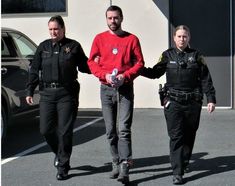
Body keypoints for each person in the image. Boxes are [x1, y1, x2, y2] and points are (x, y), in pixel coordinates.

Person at [141, 25, 216, 184]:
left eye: (185, 36)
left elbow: (205, 79)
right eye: (179, 36)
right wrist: (137, 68)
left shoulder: (196, 56)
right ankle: (177, 172)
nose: (182, 39)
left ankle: (185, 161)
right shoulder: (167, 55)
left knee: (189, 134)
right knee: (176, 136)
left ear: (189, 38)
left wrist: (211, 98)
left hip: (193, 102)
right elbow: (155, 73)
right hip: (173, 102)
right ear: (174, 38)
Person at [26, 15, 90, 180]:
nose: (53, 32)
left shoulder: (73, 46)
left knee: (64, 131)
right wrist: (30, 90)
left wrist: (100, 64)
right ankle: (59, 153)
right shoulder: (43, 47)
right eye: (51, 29)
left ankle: (63, 166)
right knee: (45, 130)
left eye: (56, 29)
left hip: (67, 94)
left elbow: (85, 66)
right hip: (47, 94)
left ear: (63, 29)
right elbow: (34, 70)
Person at [87, 5, 144, 184]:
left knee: (124, 129)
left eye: (116, 18)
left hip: (125, 89)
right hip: (106, 89)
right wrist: (103, 75)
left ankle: (125, 166)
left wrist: (124, 76)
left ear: (121, 18)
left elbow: (140, 63)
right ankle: (115, 162)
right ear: (106, 19)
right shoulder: (99, 39)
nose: (113, 21)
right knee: (111, 131)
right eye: (110, 18)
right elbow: (91, 62)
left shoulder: (132, 39)